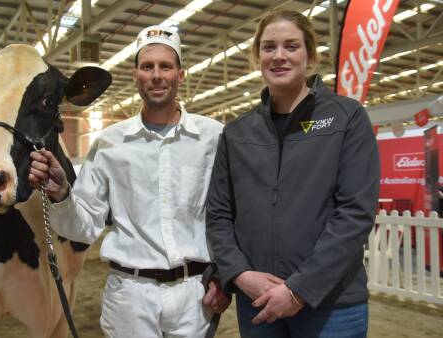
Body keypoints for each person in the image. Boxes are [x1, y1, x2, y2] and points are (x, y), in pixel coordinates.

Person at [30, 25, 230, 337]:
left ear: (181, 74)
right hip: (130, 295)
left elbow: (230, 214)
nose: (156, 75)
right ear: (135, 74)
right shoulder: (110, 143)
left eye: (166, 66)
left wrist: (226, 275)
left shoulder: (214, 137)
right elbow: (83, 227)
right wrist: (61, 195)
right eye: (147, 66)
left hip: (195, 296)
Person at [205, 9, 380, 338]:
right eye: (269, 47)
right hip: (257, 299)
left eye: (291, 46)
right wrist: (240, 275)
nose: (279, 56)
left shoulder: (347, 118)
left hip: (331, 304)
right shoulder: (237, 133)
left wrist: (300, 289)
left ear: (310, 57)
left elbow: (356, 212)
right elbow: (218, 214)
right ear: (258, 56)